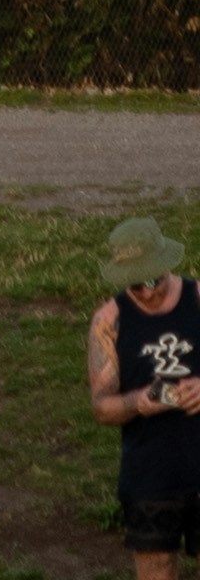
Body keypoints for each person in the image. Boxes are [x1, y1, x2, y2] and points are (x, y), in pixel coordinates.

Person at [93, 220, 200, 565]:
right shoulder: (108, 321)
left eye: (153, 280)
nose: (147, 291)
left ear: (167, 264)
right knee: (156, 568)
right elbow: (102, 407)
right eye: (135, 284)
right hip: (150, 473)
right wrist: (137, 403)